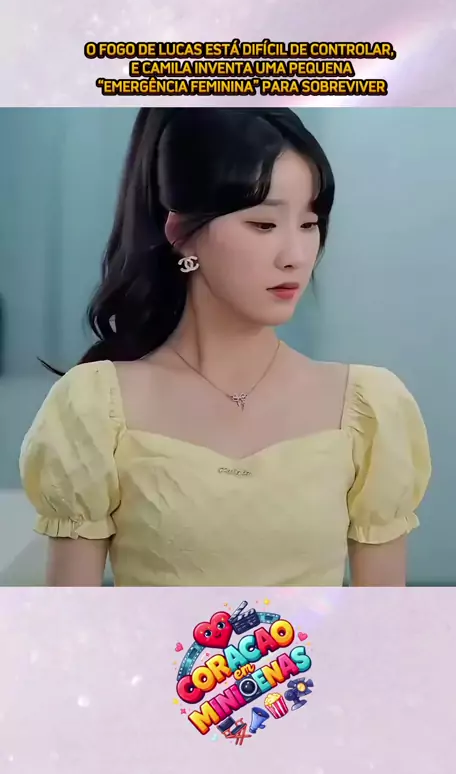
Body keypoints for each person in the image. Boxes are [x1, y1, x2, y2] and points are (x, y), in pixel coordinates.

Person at [19, 108, 431, 587]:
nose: (295, 256)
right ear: (181, 234)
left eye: (309, 224)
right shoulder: (95, 405)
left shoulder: (367, 406)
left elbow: (382, 620)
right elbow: (73, 621)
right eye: (263, 224)